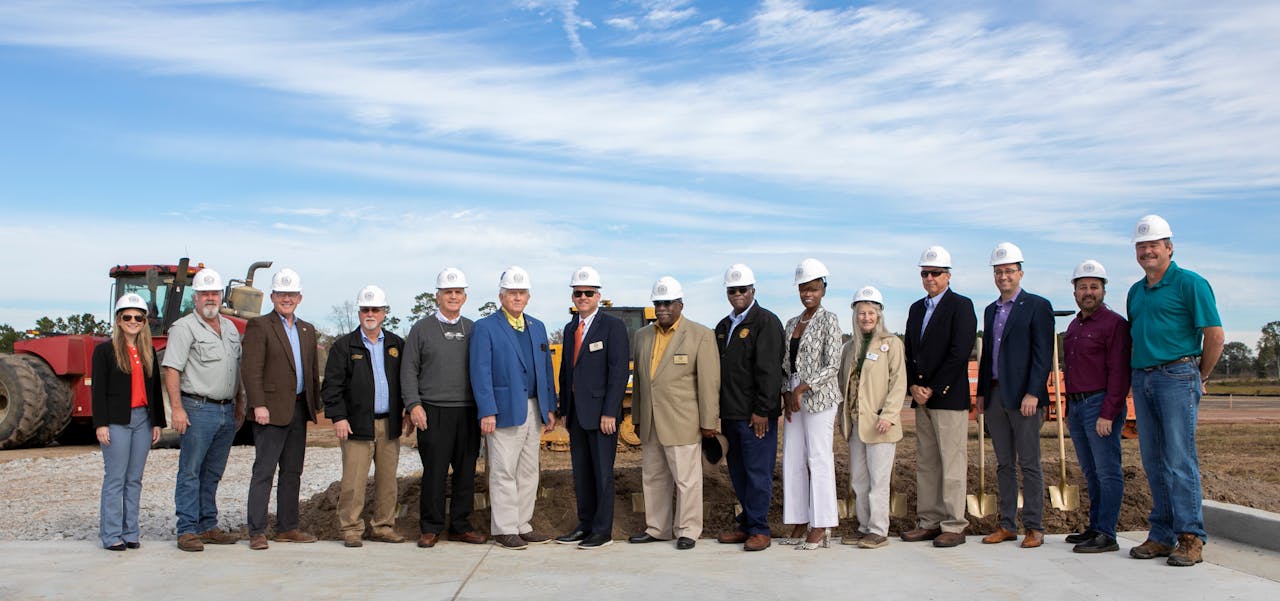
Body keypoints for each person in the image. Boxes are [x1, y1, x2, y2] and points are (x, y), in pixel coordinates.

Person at [1126, 214, 1223, 567]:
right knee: (1154, 461)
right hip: (1144, 378)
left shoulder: (1191, 284)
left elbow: (1214, 335)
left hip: (1177, 375)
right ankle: (1161, 535)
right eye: (1141, 246)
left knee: (1180, 460)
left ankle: (1190, 537)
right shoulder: (1136, 292)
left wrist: (1200, 376)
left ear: (1169, 247)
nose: (1147, 252)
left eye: (1153, 245)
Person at [628, 276, 720, 551]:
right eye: (658, 303)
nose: (662, 309)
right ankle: (657, 528)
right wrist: (636, 418)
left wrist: (708, 422)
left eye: (668, 303)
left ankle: (688, 529)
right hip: (652, 422)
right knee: (654, 477)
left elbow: (708, 383)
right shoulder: (642, 336)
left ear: (680, 303)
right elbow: (642, 382)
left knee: (686, 480)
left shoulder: (700, 335)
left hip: (683, 422)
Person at [469, 266, 558, 550]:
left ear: (528, 296)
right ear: (501, 296)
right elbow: (480, 372)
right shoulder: (486, 327)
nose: (517, 297)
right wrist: (486, 410)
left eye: (522, 293)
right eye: (512, 293)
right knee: (504, 470)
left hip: (534, 408)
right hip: (503, 409)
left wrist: (550, 407)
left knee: (529, 470)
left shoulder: (538, 326)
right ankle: (505, 528)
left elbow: (545, 370)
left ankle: (523, 524)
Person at [975, 243, 1054, 549]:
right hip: (995, 396)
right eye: (998, 272)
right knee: (1004, 464)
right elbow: (988, 357)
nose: (1004, 276)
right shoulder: (991, 310)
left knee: (1030, 463)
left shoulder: (1037, 306)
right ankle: (1007, 524)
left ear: (1020, 273)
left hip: (1024, 398)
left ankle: (1034, 526)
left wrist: (1034, 392)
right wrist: (981, 393)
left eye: (1009, 271)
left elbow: (1042, 354)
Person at [162, 268, 245, 552]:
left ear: (221, 296)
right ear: (195, 297)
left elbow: (237, 370)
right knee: (190, 471)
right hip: (197, 408)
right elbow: (172, 369)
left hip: (226, 410)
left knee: (212, 472)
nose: (210, 298)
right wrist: (177, 409)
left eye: (215, 293)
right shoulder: (184, 328)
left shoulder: (231, 328)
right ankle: (187, 529)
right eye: (205, 293)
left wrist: (240, 405)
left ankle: (208, 525)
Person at [402, 267, 486, 548]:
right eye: (447, 292)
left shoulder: (474, 329)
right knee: (435, 473)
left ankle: (460, 526)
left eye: (458, 292)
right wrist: (414, 404)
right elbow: (408, 370)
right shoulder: (421, 329)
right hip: (433, 411)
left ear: (465, 296)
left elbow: (484, 370)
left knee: (465, 473)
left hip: (468, 411)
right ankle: (430, 527)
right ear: (437, 296)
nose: (453, 296)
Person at [902, 246, 977, 548]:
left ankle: (954, 524)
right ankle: (929, 521)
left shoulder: (961, 306)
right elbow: (909, 351)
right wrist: (913, 387)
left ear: (948, 275)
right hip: (922, 399)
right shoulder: (916, 309)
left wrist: (934, 387)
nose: (929, 278)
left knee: (952, 462)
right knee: (928, 463)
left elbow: (960, 352)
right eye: (925, 273)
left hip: (947, 397)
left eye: (935, 273)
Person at [242, 267, 321, 550]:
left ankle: (288, 527)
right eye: (281, 294)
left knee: (292, 472)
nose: (286, 299)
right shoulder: (260, 326)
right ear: (273, 296)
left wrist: (315, 406)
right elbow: (251, 370)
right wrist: (258, 404)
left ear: (299, 297)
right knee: (264, 471)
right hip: (270, 411)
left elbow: (311, 372)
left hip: (298, 410)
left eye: (291, 294)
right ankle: (257, 531)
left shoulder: (307, 330)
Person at [322, 285, 406, 548]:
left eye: (375, 309)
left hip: (389, 423)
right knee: (354, 481)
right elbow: (332, 387)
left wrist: (406, 413)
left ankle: (383, 526)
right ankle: (351, 528)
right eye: (365, 309)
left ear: (384, 313)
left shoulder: (396, 345)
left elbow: (405, 382)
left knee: (387, 481)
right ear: (359, 312)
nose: (370, 313)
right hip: (356, 424)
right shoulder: (344, 347)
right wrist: (338, 417)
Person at [554, 267, 630, 550]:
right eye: (578, 293)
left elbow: (618, 371)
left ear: (598, 295)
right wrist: (564, 409)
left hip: (602, 416)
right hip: (576, 415)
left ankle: (602, 531)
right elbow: (566, 371)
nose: (582, 297)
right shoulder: (571, 327)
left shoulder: (613, 327)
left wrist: (611, 411)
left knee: (601, 473)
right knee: (582, 473)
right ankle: (585, 525)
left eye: (588, 293)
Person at [713, 264, 784, 552]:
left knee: (757, 473)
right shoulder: (723, 326)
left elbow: (769, 370)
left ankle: (759, 529)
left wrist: (763, 410)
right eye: (733, 290)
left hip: (755, 416)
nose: (738, 294)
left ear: (753, 290)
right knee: (739, 472)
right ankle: (746, 524)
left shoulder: (765, 322)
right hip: (731, 414)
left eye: (743, 289)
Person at [1063, 259, 1131, 554]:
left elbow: (1119, 372)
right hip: (1077, 406)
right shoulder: (1073, 326)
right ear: (1074, 292)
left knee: (1107, 471)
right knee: (1090, 472)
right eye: (1082, 287)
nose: (1088, 292)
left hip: (1099, 404)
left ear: (1103, 290)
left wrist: (1109, 412)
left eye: (1094, 287)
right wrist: (1067, 409)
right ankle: (1095, 526)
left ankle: (1107, 533)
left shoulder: (1114, 324)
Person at [92, 293, 166, 551]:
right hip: (117, 421)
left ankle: (131, 532)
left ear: (145, 322)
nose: (133, 321)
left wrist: (157, 422)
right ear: (118, 320)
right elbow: (98, 390)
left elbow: (155, 390)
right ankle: (112, 535)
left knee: (134, 478)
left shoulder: (148, 352)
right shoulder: (104, 351)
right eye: (127, 317)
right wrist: (101, 424)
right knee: (116, 479)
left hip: (143, 421)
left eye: (138, 317)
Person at [780, 258, 844, 551]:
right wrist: (786, 393)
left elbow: (832, 364)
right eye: (804, 289)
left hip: (818, 397)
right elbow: (785, 364)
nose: (808, 294)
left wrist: (803, 388)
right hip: (793, 395)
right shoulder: (792, 323)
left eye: (814, 288)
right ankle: (798, 518)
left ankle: (822, 523)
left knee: (818, 459)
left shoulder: (829, 320)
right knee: (793, 457)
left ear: (823, 290)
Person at [837, 286, 905, 549]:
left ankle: (878, 529)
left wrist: (888, 415)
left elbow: (898, 383)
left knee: (878, 480)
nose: (866, 318)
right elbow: (845, 384)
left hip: (880, 424)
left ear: (879, 314)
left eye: (870, 313)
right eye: (861, 313)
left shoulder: (891, 345)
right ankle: (864, 526)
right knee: (859, 479)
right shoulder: (850, 347)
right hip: (857, 423)